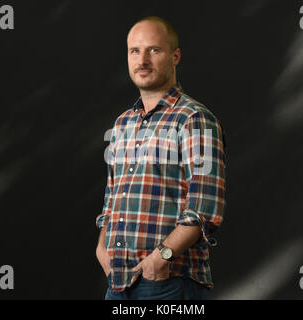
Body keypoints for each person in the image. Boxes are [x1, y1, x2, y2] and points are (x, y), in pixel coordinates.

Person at [95, 16, 226, 300]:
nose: (142, 60)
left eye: (154, 50)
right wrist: (101, 248)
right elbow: (112, 197)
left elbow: (204, 208)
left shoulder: (195, 119)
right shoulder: (121, 125)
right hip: (118, 282)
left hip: (168, 283)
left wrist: (162, 258)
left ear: (175, 56)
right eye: (134, 51)